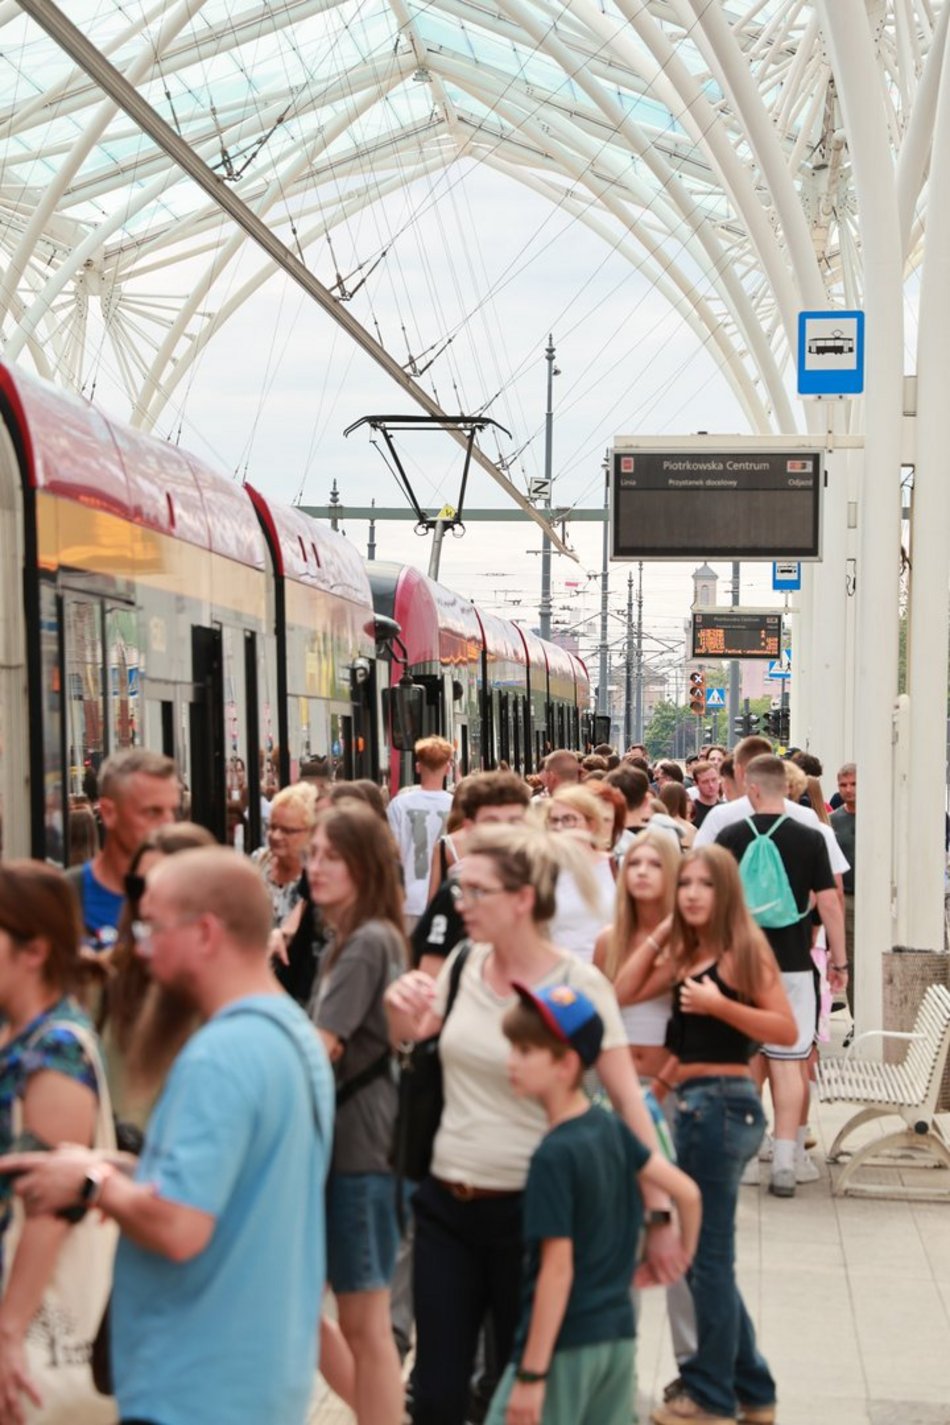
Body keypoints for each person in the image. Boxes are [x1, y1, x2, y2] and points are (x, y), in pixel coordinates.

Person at [0, 848, 335, 1425]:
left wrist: (89, 1183)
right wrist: (117, 1167)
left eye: (152, 926)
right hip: (256, 1374)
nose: (140, 943)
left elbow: (179, 1226)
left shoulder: (219, 1056)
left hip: (194, 1382)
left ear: (206, 933)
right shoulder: (289, 1035)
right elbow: (234, 1189)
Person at [385, 823, 690, 1425]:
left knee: (509, 1388)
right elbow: (419, 1048)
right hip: (446, 1202)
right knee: (436, 1392)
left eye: (476, 892)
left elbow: (631, 1107)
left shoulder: (580, 987)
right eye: (458, 888)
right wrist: (399, 1017)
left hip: (533, 1216)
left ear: (523, 900)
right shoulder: (463, 965)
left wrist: (657, 1217)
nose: (459, 903)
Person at [485, 984, 700, 1425]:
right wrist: (682, 1255)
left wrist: (530, 1373)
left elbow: (557, 1271)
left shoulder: (553, 1155)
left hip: (564, 1346)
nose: (511, 1061)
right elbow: (688, 1193)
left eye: (525, 1051)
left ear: (566, 1065)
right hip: (617, 1341)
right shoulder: (610, 1127)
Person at [648, 846, 796, 1425]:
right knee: (703, 1259)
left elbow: (783, 1027)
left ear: (726, 892)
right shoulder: (692, 950)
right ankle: (753, 1389)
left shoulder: (741, 949)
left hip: (724, 1108)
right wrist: (665, 930)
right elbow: (627, 983)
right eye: (684, 884)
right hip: (690, 1105)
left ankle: (711, 1397)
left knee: (706, 1260)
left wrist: (716, 1003)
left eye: (704, 885)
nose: (690, 894)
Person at [308, 805, 407, 1425]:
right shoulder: (360, 937)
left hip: (357, 1149)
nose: (314, 866)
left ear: (364, 866)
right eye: (313, 853)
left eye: (331, 856)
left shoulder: (366, 942)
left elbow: (322, 1045)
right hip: (358, 1145)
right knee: (341, 1317)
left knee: (364, 1322)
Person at [715, 755, 846, 1198]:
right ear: (787, 788)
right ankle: (787, 1162)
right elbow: (830, 905)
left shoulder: (730, 836)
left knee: (748, 1060)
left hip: (741, 965)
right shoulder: (812, 838)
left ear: (751, 788)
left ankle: (750, 1159)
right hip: (792, 964)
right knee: (789, 1064)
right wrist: (838, 962)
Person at [0, 862, 103, 1422]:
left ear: (33, 950)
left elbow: (47, 1208)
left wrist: (9, 1331)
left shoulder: (58, 1049)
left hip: (30, 1309)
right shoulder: (18, 1031)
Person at [95, 821, 217, 1129]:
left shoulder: (226, 993)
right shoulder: (104, 977)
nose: (147, 901)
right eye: (139, 886)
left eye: (164, 889)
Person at [412, 772, 531, 978]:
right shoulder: (454, 893)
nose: (503, 831)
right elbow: (429, 972)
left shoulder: (549, 882)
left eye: (514, 821)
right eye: (492, 821)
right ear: (470, 828)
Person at [66, 749, 180, 951]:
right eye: (152, 812)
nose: (167, 824)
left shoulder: (188, 896)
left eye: (173, 811)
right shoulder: (66, 898)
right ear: (109, 813)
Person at [543, 787, 617, 964]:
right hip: (558, 982)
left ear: (591, 824)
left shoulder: (616, 867)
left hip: (609, 978)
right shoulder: (543, 872)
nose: (560, 827)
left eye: (569, 819)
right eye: (554, 821)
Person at [387, 736, 454, 929]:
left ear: (418, 767)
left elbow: (393, 855)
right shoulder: (456, 804)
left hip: (408, 901)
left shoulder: (399, 804)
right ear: (448, 768)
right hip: (445, 900)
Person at [251, 782, 318, 925]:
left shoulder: (318, 875)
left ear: (311, 832)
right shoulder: (258, 861)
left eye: (287, 830)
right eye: (272, 827)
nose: (275, 836)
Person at [830, 764, 856, 1013]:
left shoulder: (877, 817)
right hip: (846, 897)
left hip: (874, 897)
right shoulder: (834, 820)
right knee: (851, 959)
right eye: (843, 785)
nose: (849, 790)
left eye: (854, 784)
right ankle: (858, 1018)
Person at [686, 761, 722, 830]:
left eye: (714, 780)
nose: (711, 785)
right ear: (696, 784)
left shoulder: (725, 808)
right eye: (705, 782)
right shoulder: (691, 812)